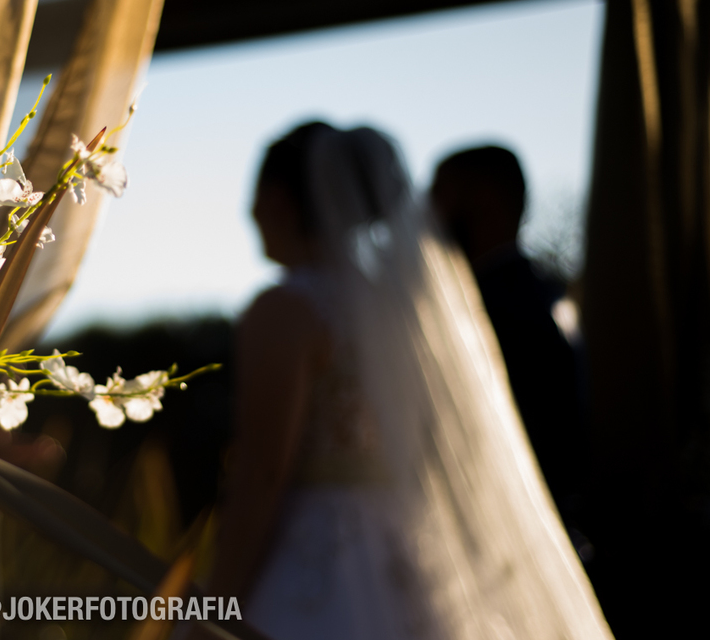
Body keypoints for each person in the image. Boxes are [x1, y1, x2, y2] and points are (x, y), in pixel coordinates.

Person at [202, 122, 611, 640]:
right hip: (410, 555)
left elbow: (262, 472)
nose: (251, 213)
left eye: (257, 194)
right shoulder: (403, 313)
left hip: (315, 561)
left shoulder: (284, 310)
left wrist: (212, 608)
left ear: (281, 199)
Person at [430, 147, 586, 522]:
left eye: (439, 194)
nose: (427, 213)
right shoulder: (539, 291)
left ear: (483, 201)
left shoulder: (502, 310)